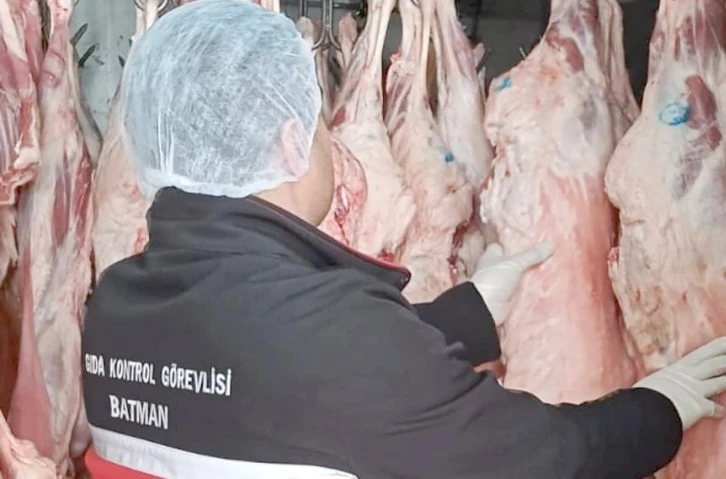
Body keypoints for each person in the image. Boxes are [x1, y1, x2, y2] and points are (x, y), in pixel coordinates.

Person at [81, 1, 726, 478]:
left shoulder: (117, 303)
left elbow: (292, 376)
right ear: (288, 142)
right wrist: (658, 409)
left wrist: (472, 309)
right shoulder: (331, 337)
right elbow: (537, 460)